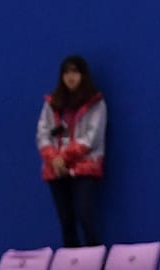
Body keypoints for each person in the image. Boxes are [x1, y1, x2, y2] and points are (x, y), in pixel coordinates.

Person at [38, 55, 108, 250]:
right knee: (66, 222)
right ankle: (72, 269)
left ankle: (96, 267)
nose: (70, 77)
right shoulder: (52, 103)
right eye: (66, 72)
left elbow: (91, 138)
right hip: (56, 170)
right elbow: (43, 134)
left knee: (86, 217)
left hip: (84, 168)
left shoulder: (96, 103)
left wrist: (64, 157)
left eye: (75, 72)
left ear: (83, 75)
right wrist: (54, 159)